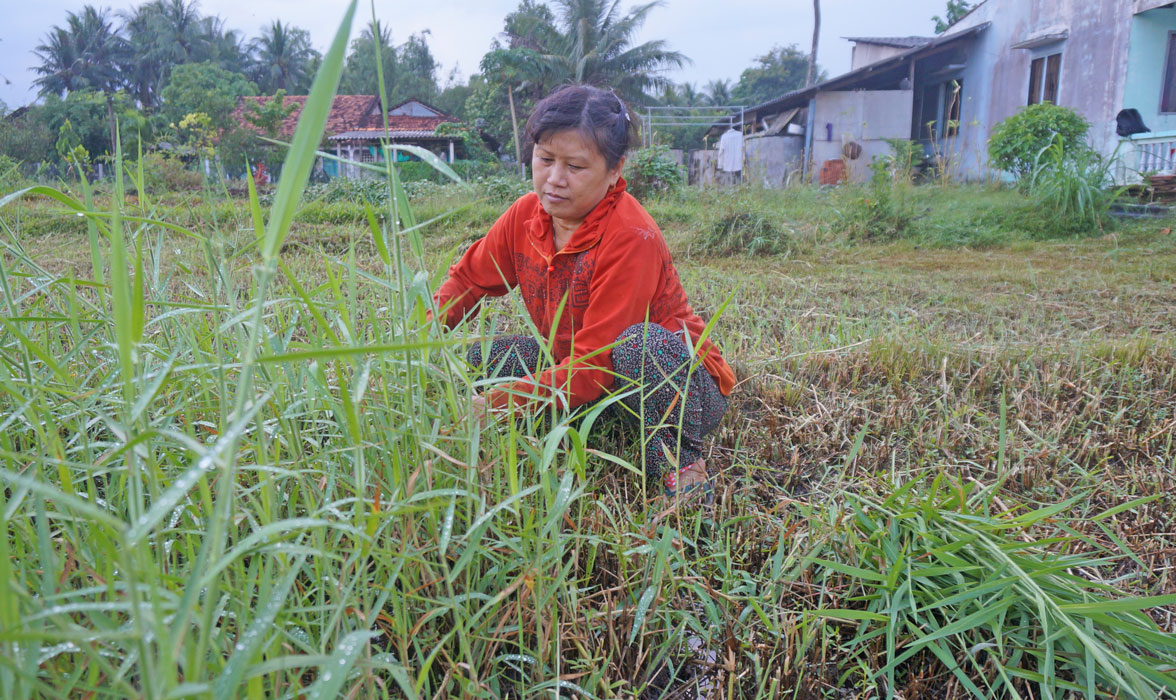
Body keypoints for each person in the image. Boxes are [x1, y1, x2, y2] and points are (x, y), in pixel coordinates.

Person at [432, 84, 735, 500]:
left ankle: (681, 469)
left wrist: (499, 403)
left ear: (614, 171)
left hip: (677, 384)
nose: (555, 179)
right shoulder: (525, 216)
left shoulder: (632, 236)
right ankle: (578, 427)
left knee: (641, 347)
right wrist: (414, 339)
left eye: (575, 167)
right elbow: (467, 281)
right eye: (545, 159)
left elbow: (596, 365)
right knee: (486, 358)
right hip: (590, 381)